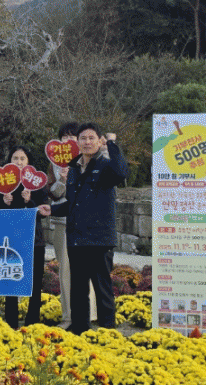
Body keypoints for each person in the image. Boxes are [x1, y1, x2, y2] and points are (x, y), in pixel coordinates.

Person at [39, 123, 128, 335]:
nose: (87, 142)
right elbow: (73, 203)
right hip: (76, 238)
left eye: (91, 138)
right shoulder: (73, 169)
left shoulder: (106, 165)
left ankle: (107, 334)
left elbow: (121, 173)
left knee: (102, 288)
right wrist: (52, 210)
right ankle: (79, 331)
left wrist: (112, 144)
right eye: (83, 138)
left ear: (99, 141)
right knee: (78, 290)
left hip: (99, 239)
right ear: (77, 142)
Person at [46, 122, 96, 330]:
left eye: (72, 136)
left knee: (89, 270)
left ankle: (91, 315)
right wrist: (62, 180)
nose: (68, 140)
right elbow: (53, 193)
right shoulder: (54, 163)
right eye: (64, 136)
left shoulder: (89, 160)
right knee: (65, 270)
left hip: (86, 223)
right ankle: (68, 317)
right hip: (62, 222)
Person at [0, 145, 47, 329]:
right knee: (11, 279)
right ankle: (11, 321)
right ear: (10, 161)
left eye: (22, 158)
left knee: (35, 282)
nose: (19, 162)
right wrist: (4, 202)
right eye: (15, 158)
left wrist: (29, 201)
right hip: (11, 240)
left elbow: (43, 212)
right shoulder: (3, 184)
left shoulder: (37, 183)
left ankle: (32, 321)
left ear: (28, 161)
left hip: (34, 239)